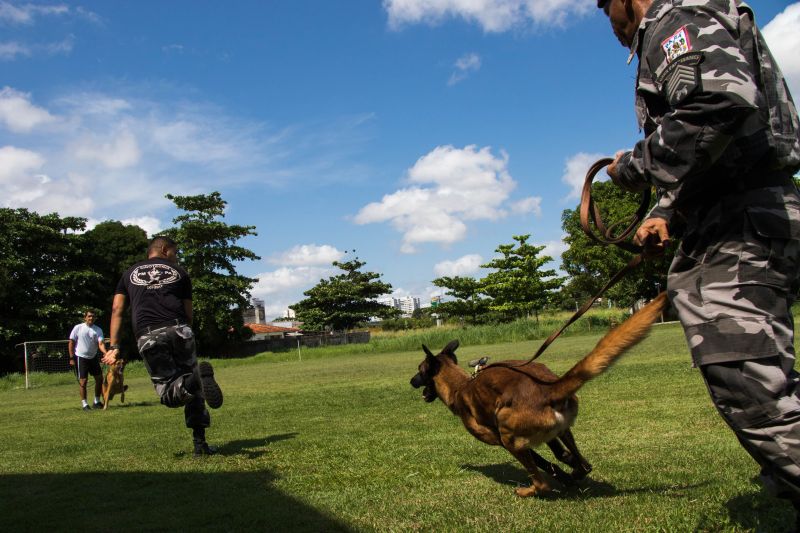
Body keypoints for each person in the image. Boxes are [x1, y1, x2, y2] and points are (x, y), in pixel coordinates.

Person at [598, 0, 800, 525]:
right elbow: (719, 141)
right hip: (734, 211)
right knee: (758, 371)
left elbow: (719, 105)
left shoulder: (670, 21)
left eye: (605, 8)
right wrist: (668, 209)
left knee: (746, 377)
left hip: (740, 218)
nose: (610, 24)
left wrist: (635, 166)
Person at [103, 235, 223, 457]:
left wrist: (114, 345)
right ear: (165, 250)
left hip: (149, 335)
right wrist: (186, 334)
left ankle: (196, 379)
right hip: (180, 328)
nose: (176, 258)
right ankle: (200, 445)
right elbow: (188, 312)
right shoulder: (181, 273)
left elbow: (117, 309)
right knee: (193, 387)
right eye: (175, 253)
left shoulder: (129, 273)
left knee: (169, 393)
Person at [69, 310, 108, 411]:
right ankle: (85, 404)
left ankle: (96, 401)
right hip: (81, 357)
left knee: (99, 379)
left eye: (93, 316)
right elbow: (71, 342)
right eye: (89, 316)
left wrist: (105, 353)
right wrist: (71, 357)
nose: (91, 318)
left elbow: (101, 344)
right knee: (83, 381)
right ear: (85, 317)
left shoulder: (98, 330)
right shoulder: (78, 328)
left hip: (93, 357)